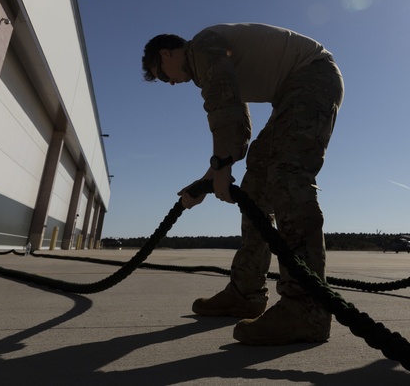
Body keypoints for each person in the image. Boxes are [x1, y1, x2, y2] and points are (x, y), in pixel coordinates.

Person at [142, 23, 344, 345]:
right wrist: (210, 178)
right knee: (256, 186)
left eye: (163, 74)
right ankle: (245, 293)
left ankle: (306, 307)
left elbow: (225, 108)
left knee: (288, 177)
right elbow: (238, 123)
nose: (170, 82)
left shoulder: (203, 47)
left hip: (312, 78)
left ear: (167, 53)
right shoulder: (210, 60)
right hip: (293, 91)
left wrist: (221, 166)